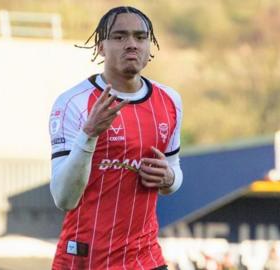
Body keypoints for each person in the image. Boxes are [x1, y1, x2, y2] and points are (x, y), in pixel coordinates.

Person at [48, 6, 183, 270]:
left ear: (149, 47)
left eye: (140, 37)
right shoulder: (73, 103)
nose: (131, 44)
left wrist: (169, 178)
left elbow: (174, 172)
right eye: (120, 36)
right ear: (101, 47)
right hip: (84, 259)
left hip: (145, 259)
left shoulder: (169, 101)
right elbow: (64, 199)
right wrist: (89, 134)